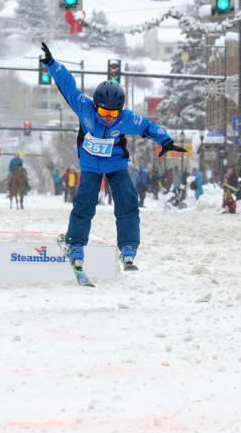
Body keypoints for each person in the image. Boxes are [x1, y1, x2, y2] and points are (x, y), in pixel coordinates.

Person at [41, 42, 182, 271]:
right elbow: (68, 86)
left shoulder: (125, 119)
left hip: (116, 163)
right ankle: (75, 245)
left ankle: (128, 248)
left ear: (120, 110)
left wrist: (165, 141)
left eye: (113, 113)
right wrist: (52, 64)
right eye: (104, 112)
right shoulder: (84, 108)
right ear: (95, 106)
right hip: (89, 164)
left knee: (127, 199)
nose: (108, 117)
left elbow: (147, 126)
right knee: (84, 202)